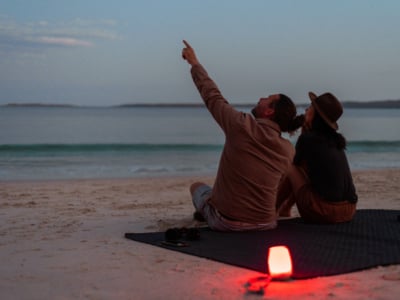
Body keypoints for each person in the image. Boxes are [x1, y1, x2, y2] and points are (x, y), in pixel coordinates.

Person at [181, 40, 304, 231]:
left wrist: (194, 63)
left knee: (197, 187)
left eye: (267, 99)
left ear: (269, 112)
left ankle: (208, 210)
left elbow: (212, 96)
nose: (261, 99)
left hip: (227, 222)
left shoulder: (241, 126)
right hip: (266, 223)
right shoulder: (287, 149)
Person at [276, 92, 358, 223]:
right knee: (302, 169)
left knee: (291, 168)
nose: (306, 110)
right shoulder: (335, 140)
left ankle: (271, 209)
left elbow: (295, 170)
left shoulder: (308, 139)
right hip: (349, 210)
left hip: (325, 213)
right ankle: (284, 208)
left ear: (316, 115)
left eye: (310, 107)